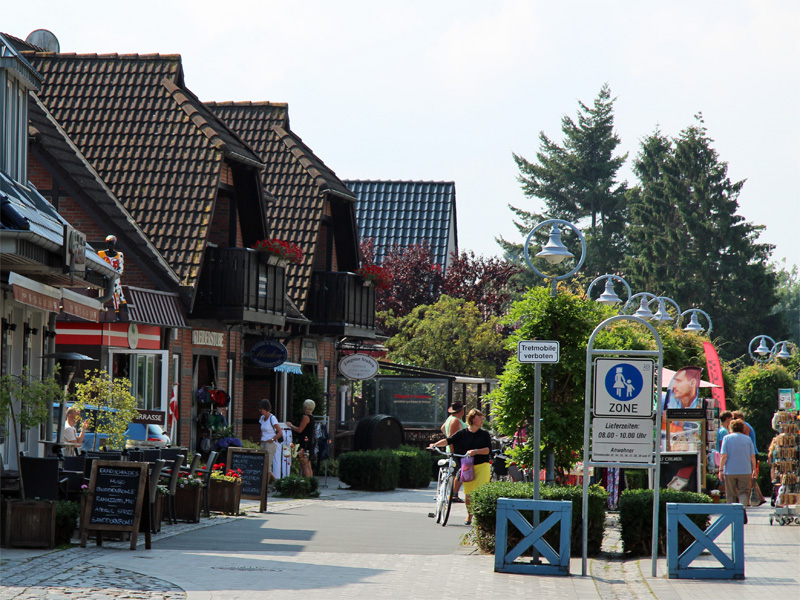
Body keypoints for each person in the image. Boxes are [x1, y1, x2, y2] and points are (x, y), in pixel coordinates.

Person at [428, 408, 492, 526]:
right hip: (467, 465)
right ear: (472, 419)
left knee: (480, 491)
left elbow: (488, 450)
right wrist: (435, 445)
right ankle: (470, 514)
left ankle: (480, 517)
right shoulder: (462, 433)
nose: (482, 419)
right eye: (479, 417)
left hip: (482, 465)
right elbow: (449, 440)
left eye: (482, 417)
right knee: (468, 493)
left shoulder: (484, 434)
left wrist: (475, 451)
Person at [719, 419, 756, 523]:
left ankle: (732, 515)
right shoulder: (747, 439)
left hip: (730, 471)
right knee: (743, 492)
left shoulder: (727, 438)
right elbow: (752, 456)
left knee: (730, 493)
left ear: (731, 428)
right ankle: (742, 508)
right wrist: (754, 470)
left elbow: (724, 456)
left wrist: (720, 469)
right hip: (745, 470)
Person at [440, 401, 466, 503]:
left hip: (456, 451)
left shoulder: (450, 419)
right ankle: (454, 494)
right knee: (460, 473)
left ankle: (454, 493)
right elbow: (451, 438)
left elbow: (443, 428)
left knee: (458, 472)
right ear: (461, 410)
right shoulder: (455, 421)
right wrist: (453, 451)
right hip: (456, 451)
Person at [98, 234, 127, 320]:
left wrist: (116, 275)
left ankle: (123, 306)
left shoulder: (119, 255)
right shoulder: (101, 254)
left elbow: (121, 268)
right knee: (113, 293)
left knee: (117, 290)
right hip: (105, 276)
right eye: (108, 243)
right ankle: (117, 311)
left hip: (115, 277)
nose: (110, 245)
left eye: (111, 243)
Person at [286, 399, 316, 478]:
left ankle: (307, 481)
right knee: (308, 464)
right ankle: (311, 481)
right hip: (309, 442)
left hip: (304, 443)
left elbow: (300, 430)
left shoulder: (306, 417)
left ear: (305, 407)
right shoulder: (312, 417)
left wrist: (291, 425)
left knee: (304, 464)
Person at [258, 399, 283, 484]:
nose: (260, 411)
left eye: (261, 409)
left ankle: (265, 486)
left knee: (267, 465)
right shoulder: (262, 418)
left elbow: (280, 432)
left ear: (265, 409)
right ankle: (278, 483)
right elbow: (262, 430)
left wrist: (272, 439)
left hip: (271, 443)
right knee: (262, 464)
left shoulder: (272, 418)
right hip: (263, 442)